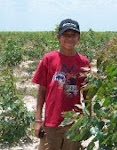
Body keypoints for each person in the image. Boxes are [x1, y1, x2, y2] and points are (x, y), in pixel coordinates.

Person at [32, 18, 90, 150]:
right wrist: (38, 120)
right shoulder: (49, 59)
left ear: (78, 37)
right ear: (59, 37)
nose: (69, 38)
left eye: (73, 35)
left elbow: (87, 93)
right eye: (66, 35)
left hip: (74, 122)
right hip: (51, 122)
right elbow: (42, 91)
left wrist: (89, 117)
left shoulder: (84, 62)